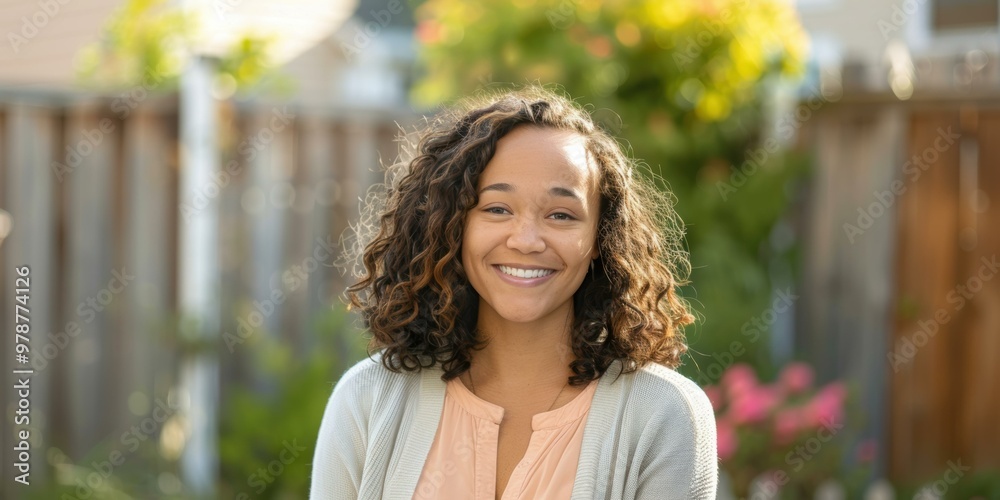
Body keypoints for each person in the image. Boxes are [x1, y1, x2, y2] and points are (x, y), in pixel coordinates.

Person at [309, 85, 717, 500]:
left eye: (561, 214)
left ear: (600, 238)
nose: (526, 240)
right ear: (453, 227)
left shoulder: (663, 413)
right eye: (497, 209)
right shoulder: (368, 399)